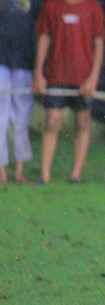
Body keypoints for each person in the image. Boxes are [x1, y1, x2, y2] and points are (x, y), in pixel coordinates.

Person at [32, 0, 105, 184]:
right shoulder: (51, 6)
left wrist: (93, 78)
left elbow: (98, 43)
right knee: (52, 120)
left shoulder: (93, 8)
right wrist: (38, 72)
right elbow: (44, 38)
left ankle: (76, 174)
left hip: (83, 77)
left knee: (82, 123)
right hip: (56, 74)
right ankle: (44, 174)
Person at [0, 0, 42, 184]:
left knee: (22, 117)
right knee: (0, 116)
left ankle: (19, 168)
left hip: (25, 62)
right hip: (1, 61)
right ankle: (1, 169)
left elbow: (40, 31)